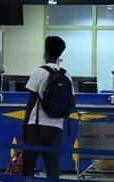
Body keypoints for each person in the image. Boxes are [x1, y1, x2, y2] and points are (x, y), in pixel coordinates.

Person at [21, 36, 73, 179]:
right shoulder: (67, 76)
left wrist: (24, 126)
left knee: (29, 164)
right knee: (52, 166)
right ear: (60, 54)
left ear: (46, 52)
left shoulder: (38, 72)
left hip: (36, 126)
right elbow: (71, 102)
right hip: (56, 127)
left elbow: (31, 102)